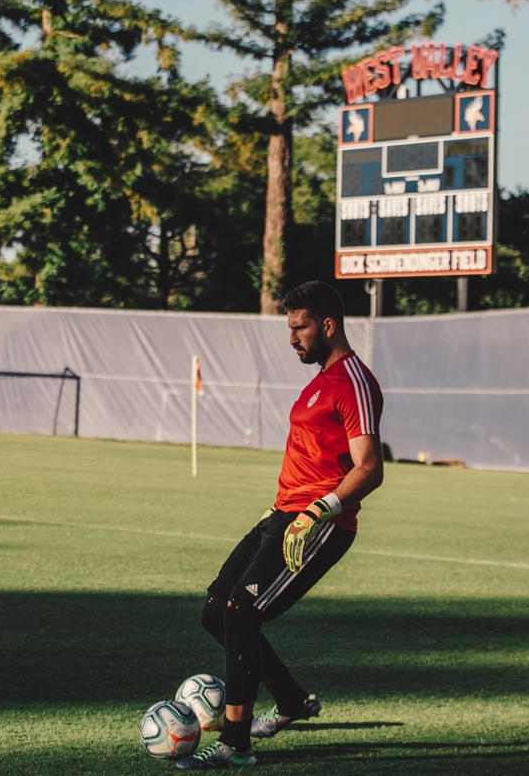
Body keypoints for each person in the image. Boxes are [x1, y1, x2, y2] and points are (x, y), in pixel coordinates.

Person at [176, 281, 384, 770]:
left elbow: (369, 467)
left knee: (243, 612)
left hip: (318, 523)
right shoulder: (318, 380)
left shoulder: (354, 381)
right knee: (215, 611)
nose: (292, 338)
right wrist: (282, 509)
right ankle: (291, 702)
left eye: (300, 327)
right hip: (281, 515)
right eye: (289, 327)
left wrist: (318, 510)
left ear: (328, 325)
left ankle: (235, 745)